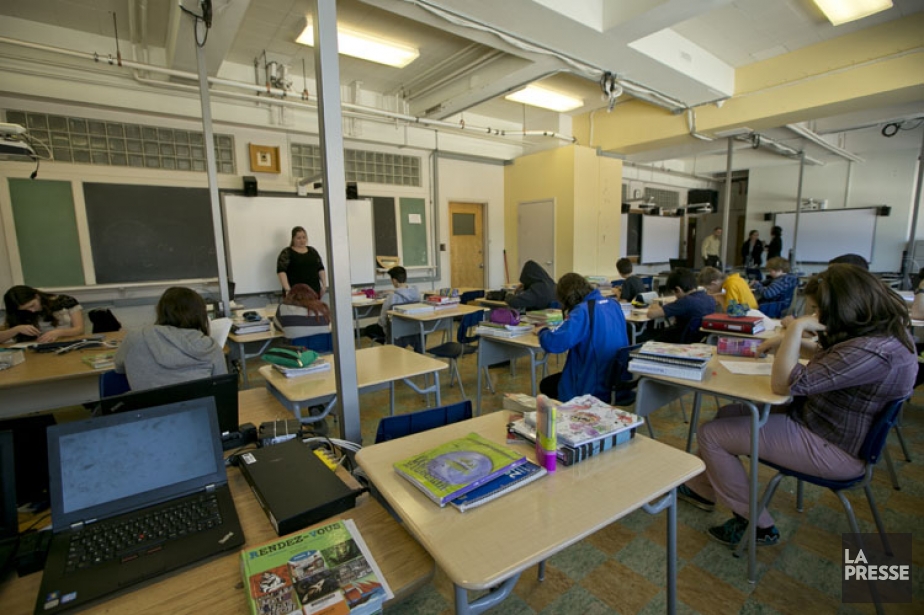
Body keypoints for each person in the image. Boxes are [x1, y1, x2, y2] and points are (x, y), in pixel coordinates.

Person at [677, 265, 916, 548]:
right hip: (824, 426)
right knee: (727, 414)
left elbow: (782, 384)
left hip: (832, 448)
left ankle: (756, 525)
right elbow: (836, 362)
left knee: (712, 434)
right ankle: (702, 489)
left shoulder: (874, 352)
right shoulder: (882, 338)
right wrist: (784, 341)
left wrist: (796, 328)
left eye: (816, 310)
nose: (816, 316)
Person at [114, 287, 227, 391]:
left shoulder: (135, 338)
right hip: (198, 410)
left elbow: (119, 369)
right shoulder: (209, 347)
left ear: (161, 311)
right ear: (201, 314)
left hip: (146, 411)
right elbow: (223, 387)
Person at [537, 273, 628, 401]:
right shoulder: (613, 304)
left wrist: (542, 331)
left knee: (546, 385)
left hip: (592, 384)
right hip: (616, 378)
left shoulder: (583, 311)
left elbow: (554, 344)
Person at [645, 268, 716, 344]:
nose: (675, 297)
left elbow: (650, 314)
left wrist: (654, 305)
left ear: (678, 289)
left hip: (680, 341)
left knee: (647, 335)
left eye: (674, 293)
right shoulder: (710, 298)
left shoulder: (685, 301)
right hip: (699, 340)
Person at [362, 266, 420, 350]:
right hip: (412, 329)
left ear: (394, 280)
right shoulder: (416, 294)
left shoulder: (392, 297)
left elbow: (383, 321)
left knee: (368, 329)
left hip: (393, 332)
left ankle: (388, 343)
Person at [1, 285, 84, 343]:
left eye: (32, 305)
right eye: (25, 309)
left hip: (68, 344)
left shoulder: (66, 301)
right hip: (37, 351)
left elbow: (79, 329)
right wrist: (16, 329)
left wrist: (58, 332)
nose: (32, 310)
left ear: (37, 296)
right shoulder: (18, 314)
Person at [277, 226, 327, 297]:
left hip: (313, 291)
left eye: (304, 237)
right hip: (295, 292)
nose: (302, 240)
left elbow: (320, 268)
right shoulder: (287, 252)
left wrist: (324, 285)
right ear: (293, 239)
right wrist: (287, 289)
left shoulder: (312, 251)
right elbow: (281, 271)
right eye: (299, 238)